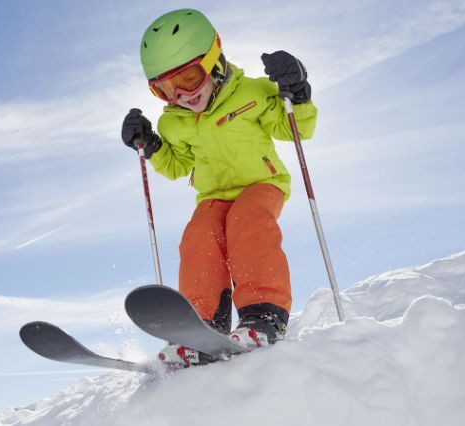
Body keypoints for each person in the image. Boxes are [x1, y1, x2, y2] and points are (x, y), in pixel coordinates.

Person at [121, 8, 318, 367]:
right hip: (214, 195)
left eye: (190, 77)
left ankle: (264, 315)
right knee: (199, 234)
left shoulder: (254, 93)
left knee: (247, 221)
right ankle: (201, 326)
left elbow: (296, 130)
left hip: (261, 184)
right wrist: (151, 145)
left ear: (214, 59)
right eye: (165, 88)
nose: (182, 94)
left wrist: (297, 95)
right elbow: (178, 166)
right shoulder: (174, 123)